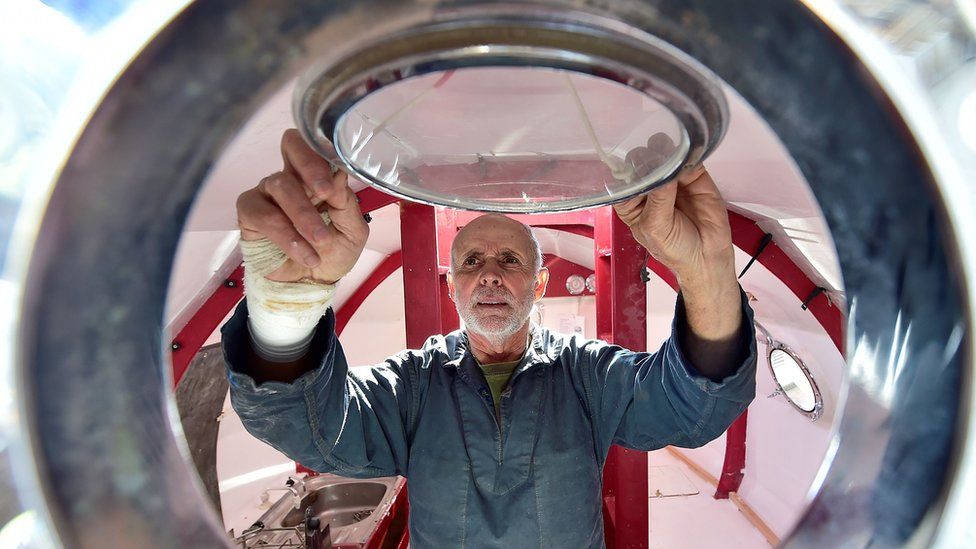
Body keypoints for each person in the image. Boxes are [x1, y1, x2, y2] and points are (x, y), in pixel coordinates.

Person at [222, 129, 757, 548]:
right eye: (471, 262)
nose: (490, 275)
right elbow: (306, 425)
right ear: (453, 286)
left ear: (541, 283)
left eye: (510, 260)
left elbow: (692, 410)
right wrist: (287, 306)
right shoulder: (413, 384)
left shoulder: (587, 374)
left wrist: (706, 273)